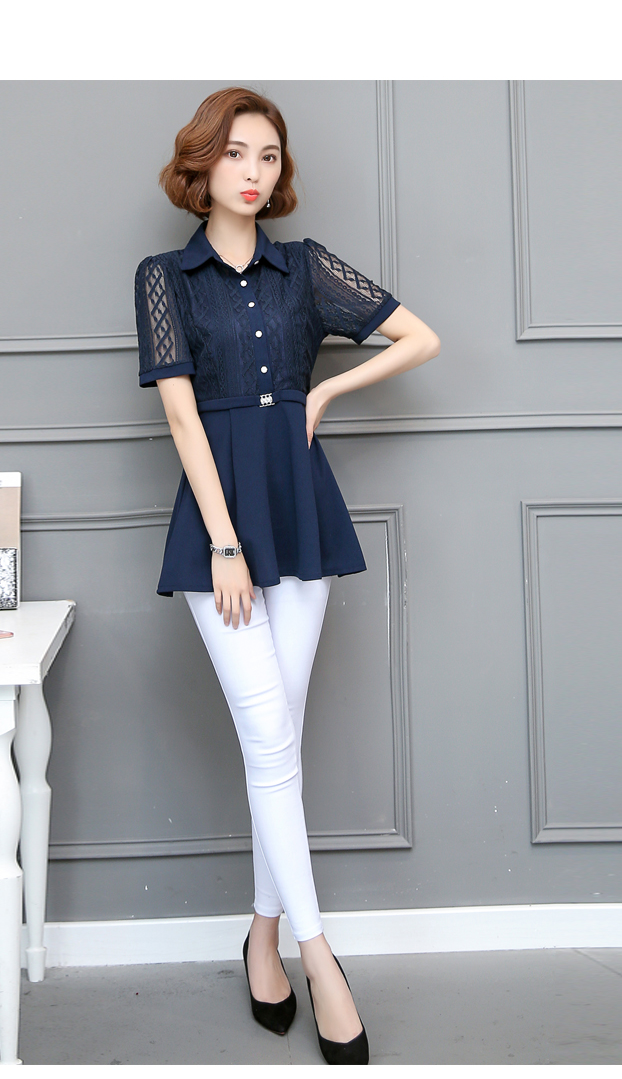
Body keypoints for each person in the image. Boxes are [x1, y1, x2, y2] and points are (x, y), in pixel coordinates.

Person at [134, 87, 440, 1066]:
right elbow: (181, 414)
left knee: (279, 746)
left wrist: (331, 387)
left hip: (301, 511)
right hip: (220, 528)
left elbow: (422, 337)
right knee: (272, 745)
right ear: (202, 165)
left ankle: (260, 934)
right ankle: (319, 955)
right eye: (236, 153)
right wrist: (224, 545)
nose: (254, 171)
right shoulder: (163, 277)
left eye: (268, 155)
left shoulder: (306, 268)